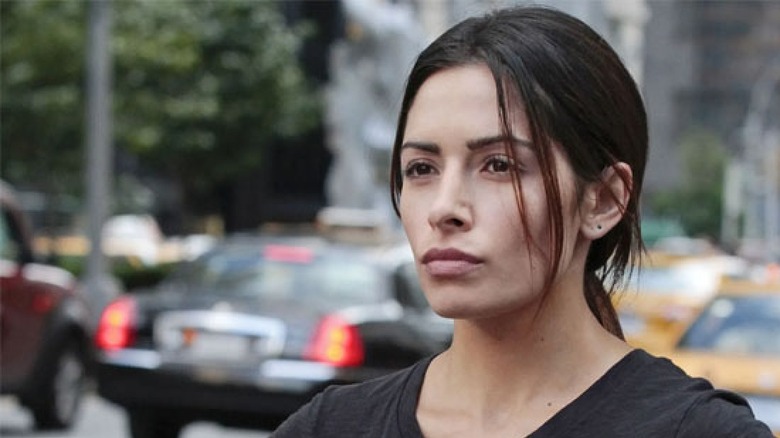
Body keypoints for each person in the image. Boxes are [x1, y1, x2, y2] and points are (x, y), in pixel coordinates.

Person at [273, 5, 773, 437]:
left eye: (499, 165)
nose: (445, 208)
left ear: (602, 199)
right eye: (421, 169)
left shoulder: (697, 432)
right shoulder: (331, 427)